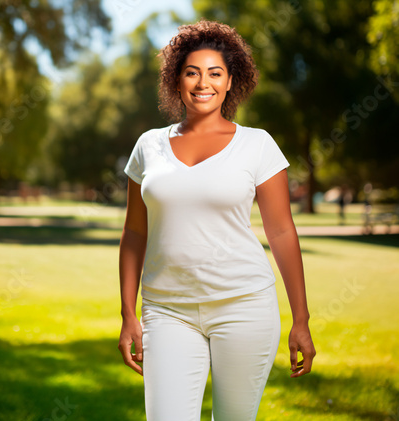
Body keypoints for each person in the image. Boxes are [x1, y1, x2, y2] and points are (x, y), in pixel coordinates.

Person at [118, 18, 316, 421]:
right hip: (167, 311)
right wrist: (127, 313)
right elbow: (135, 232)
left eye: (214, 73)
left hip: (244, 307)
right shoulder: (149, 146)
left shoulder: (257, 145)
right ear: (177, 80)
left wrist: (301, 319)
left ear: (230, 82)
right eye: (192, 72)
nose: (202, 82)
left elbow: (281, 232)